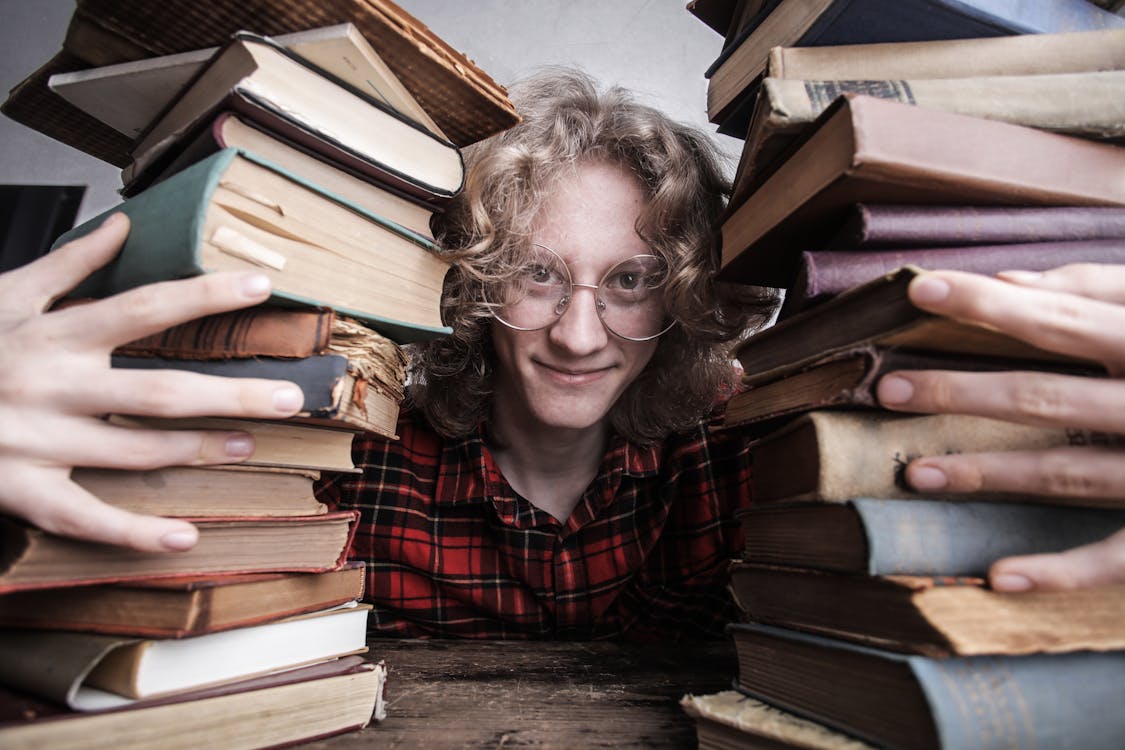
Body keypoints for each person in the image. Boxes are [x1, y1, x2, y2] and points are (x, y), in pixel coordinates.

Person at [1, 70, 1122, 639]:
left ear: (683, 296)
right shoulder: (346, 451)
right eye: (538, 274)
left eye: (633, 282)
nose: (582, 335)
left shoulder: (755, 453)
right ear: (475, 284)